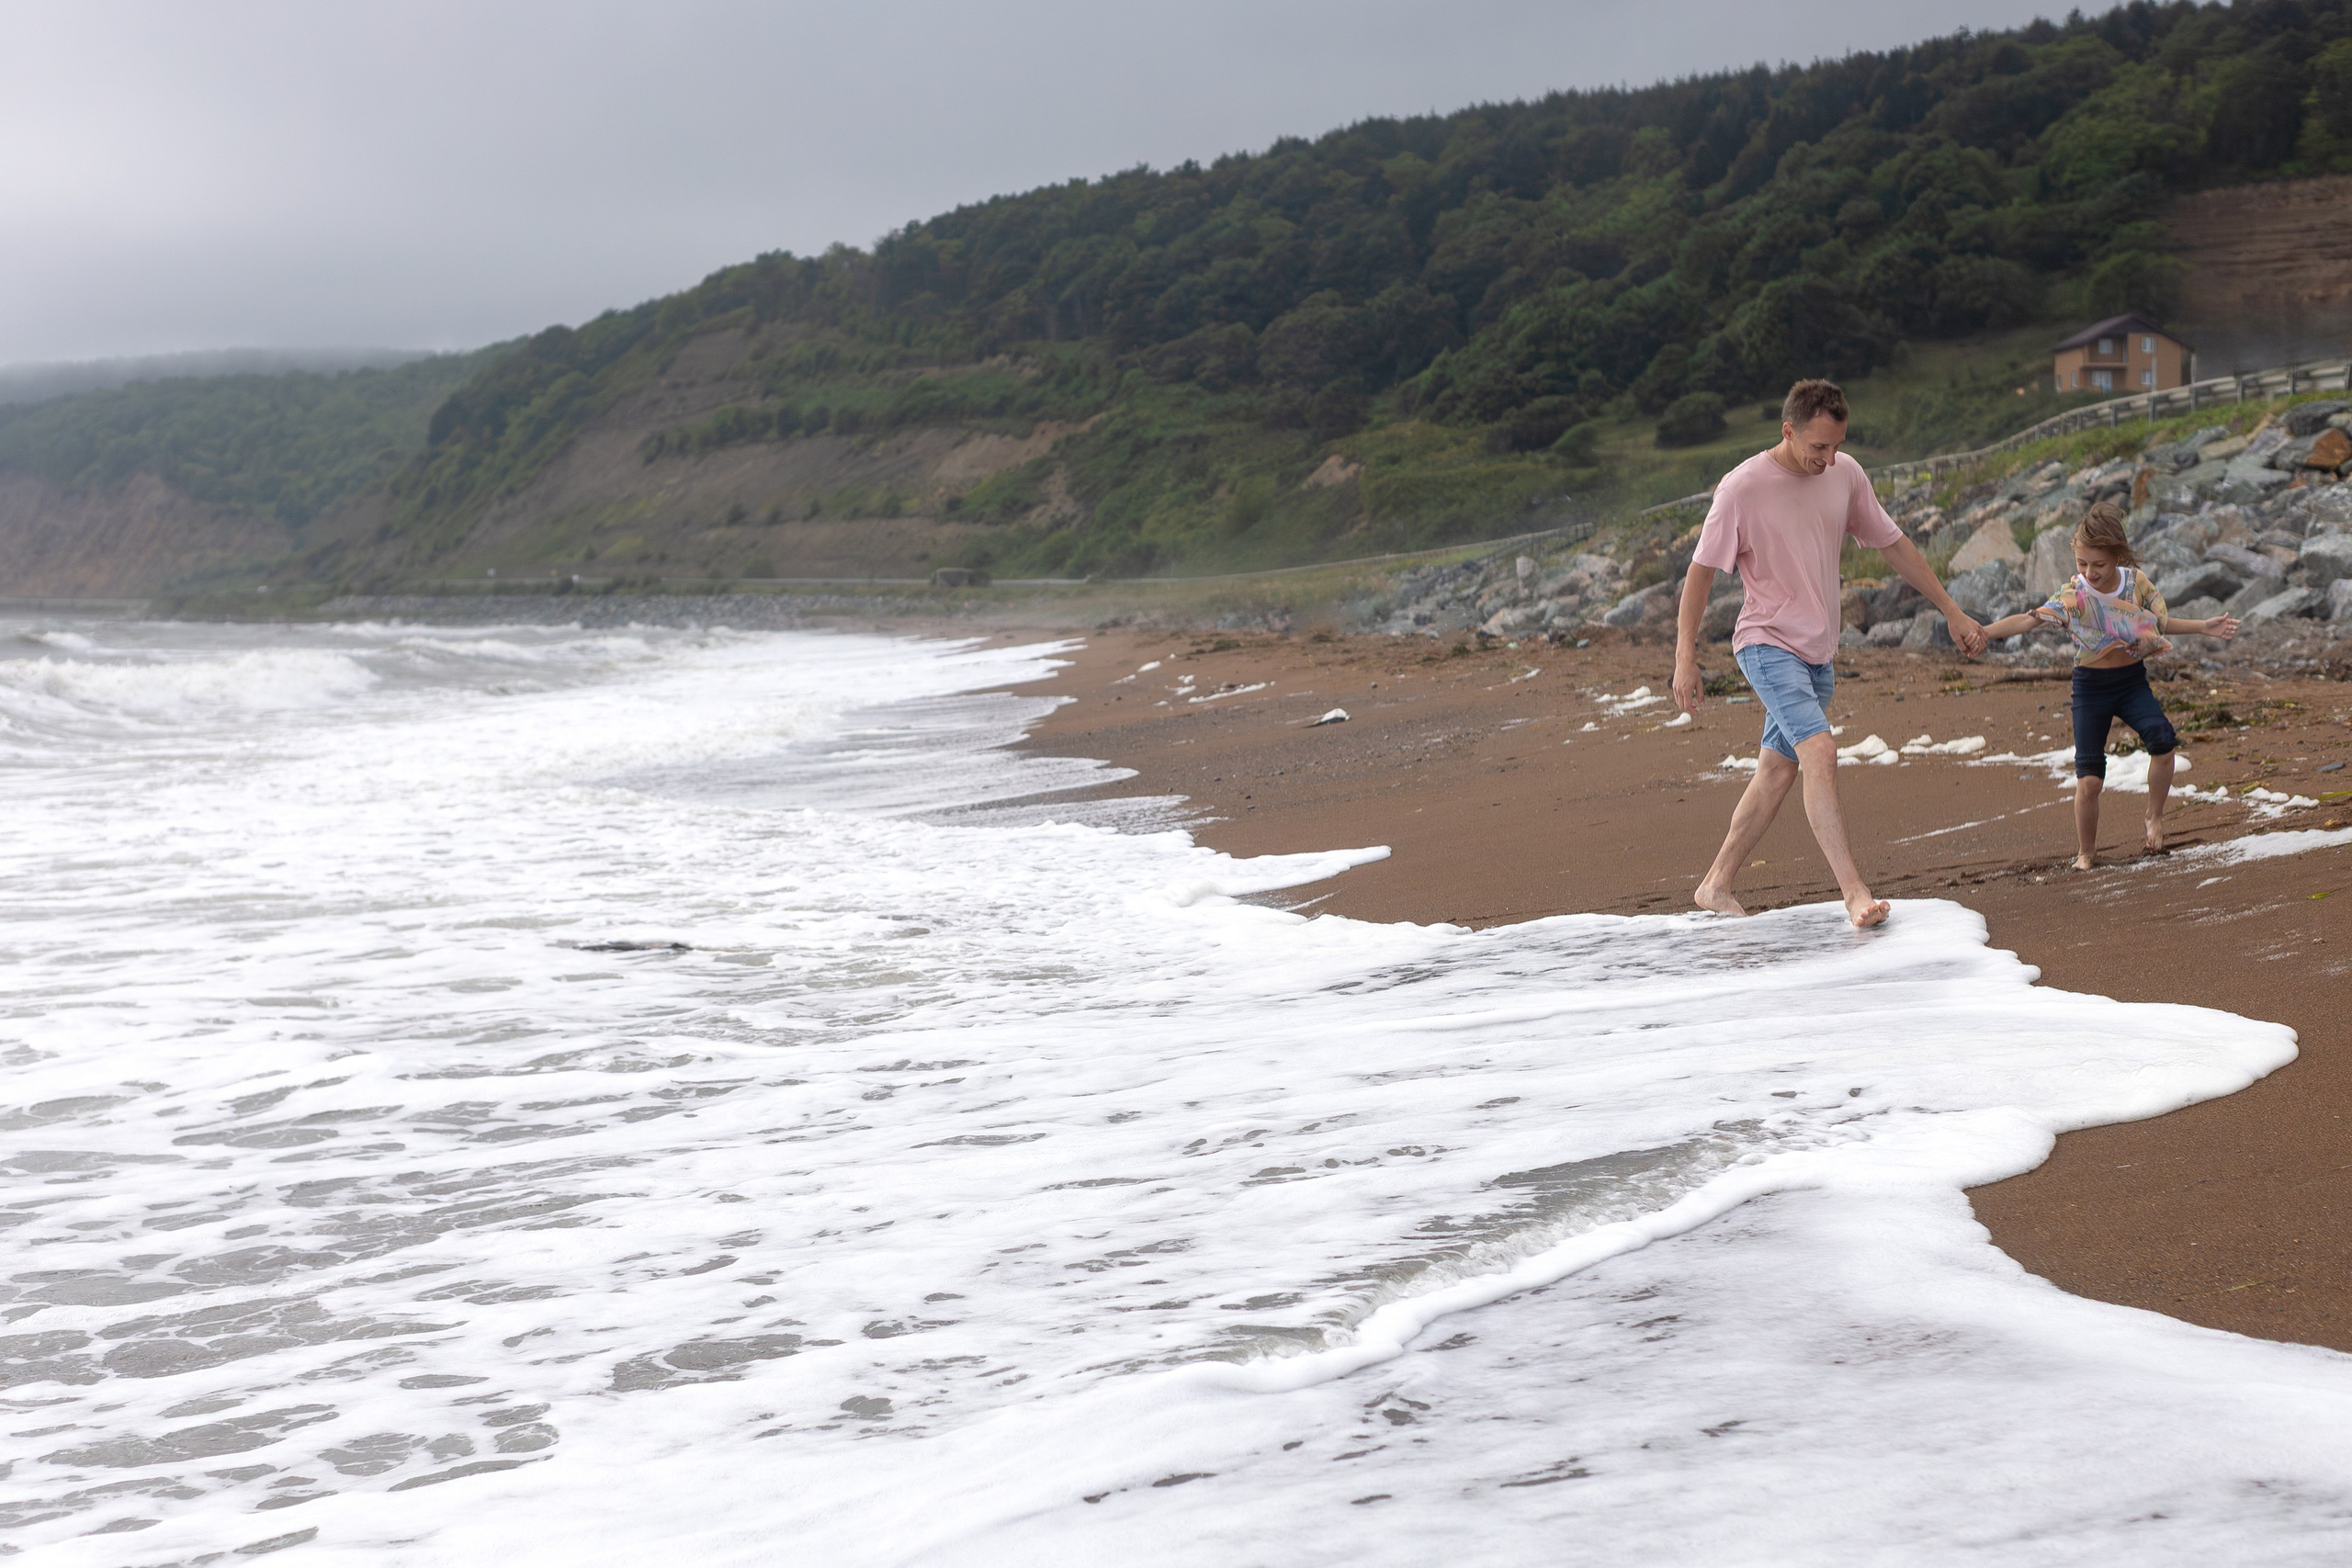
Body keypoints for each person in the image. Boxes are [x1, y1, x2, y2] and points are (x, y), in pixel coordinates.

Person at [1670, 378, 1987, 927]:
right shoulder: (1741, 488)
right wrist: (1684, 656)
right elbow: (1700, 572)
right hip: (1766, 643)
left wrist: (1952, 611)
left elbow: (1892, 544)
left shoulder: (1846, 474)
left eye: (1837, 445)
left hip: (1818, 653)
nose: (1829, 458)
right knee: (1820, 751)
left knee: (1777, 771)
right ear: (1788, 431)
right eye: (1818, 447)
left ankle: (1716, 884)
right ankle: (1854, 893)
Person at [1975, 501, 2239, 869]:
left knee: (2163, 743)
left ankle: (2155, 817)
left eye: (2098, 564)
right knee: (2090, 780)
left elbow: (2157, 624)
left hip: (2131, 682)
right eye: (2082, 563)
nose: (2089, 572)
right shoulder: (2074, 595)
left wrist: (2202, 626)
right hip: (2090, 688)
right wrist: (1983, 632)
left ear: (2117, 555)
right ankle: (2086, 852)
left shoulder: (2136, 585)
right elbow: (2029, 619)